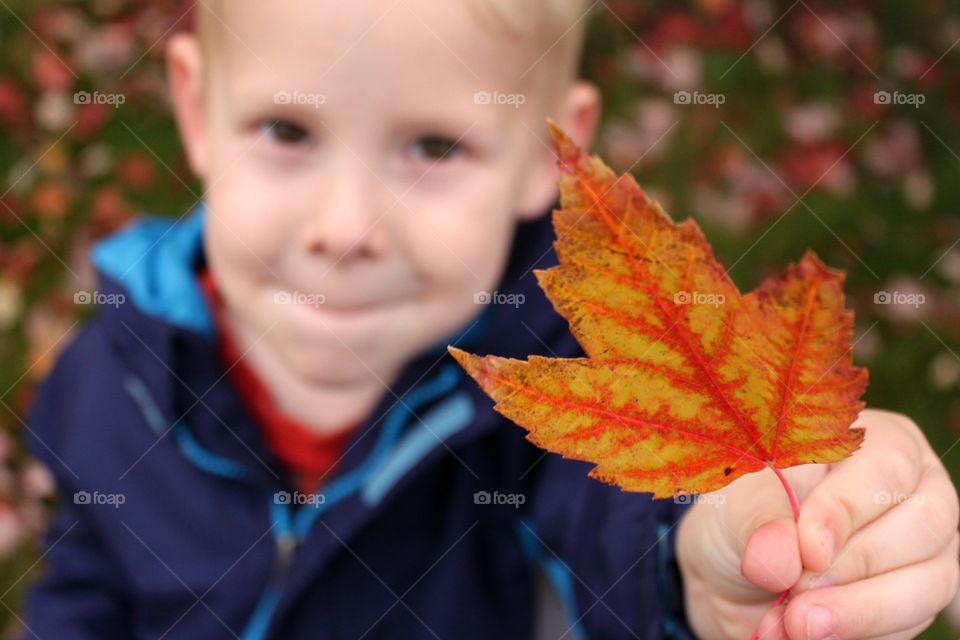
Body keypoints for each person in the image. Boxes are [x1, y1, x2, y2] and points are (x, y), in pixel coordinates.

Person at [21, 1, 959, 638]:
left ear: (549, 153)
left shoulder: (541, 383)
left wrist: (708, 553)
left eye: (434, 146)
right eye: (288, 132)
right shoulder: (110, 381)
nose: (345, 229)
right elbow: (85, 588)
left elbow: (610, 524)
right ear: (194, 107)